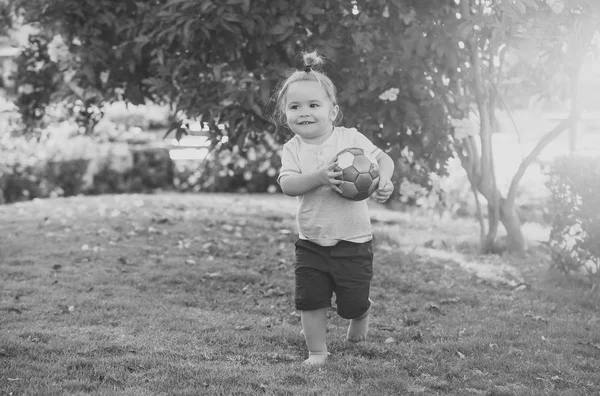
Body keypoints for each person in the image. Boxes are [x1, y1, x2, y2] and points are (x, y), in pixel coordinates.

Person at [275, 51, 395, 366]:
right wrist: (318, 177)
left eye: (314, 105)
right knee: (310, 300)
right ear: (285, 113)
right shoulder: (293, 149)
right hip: (312, 241)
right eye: (295, 106)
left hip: (354, 240)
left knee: (351, 301)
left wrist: (384, 180)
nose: (304, 112)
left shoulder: (349, 138)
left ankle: (361, 312)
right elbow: (288, 185)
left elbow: (384, 159)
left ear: (333, 111)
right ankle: (317, 351)